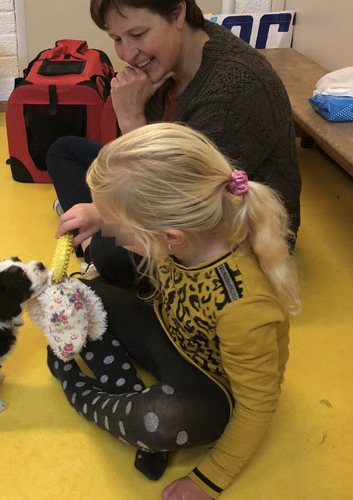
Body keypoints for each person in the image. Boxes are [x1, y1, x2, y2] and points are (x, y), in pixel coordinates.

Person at [46, 123, 301, 499]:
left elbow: (257, 406)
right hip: (169, 330)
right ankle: (129, 388)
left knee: (161, 422)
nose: (110, 231)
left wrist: (208, 480)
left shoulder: (245, 307)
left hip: (211, 385)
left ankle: (81, 387)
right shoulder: (187, 236)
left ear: (168, 237)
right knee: (77, 292)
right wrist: (101, 217)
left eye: (117, 226)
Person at [47, 0, 301, 288]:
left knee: (110, 250)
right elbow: (129, 169)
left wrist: (130, 118)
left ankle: (94, 249)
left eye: (138, 34)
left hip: (219, 237)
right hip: (164, 192)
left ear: (178, 13)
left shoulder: (235, 90)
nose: (127, 54)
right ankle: (94, 242)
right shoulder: (168, 61)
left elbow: (180, 203)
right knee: (64, 151)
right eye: (117, 39)